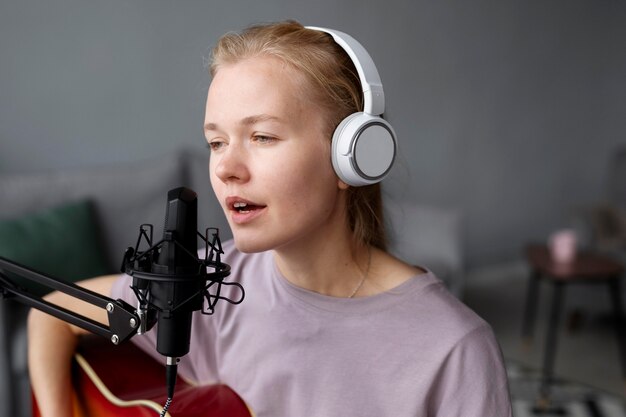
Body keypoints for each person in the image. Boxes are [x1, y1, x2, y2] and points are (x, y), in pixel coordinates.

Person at [28, 20, 512, 416]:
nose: (225, 168)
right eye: (217, 142)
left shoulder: (453, 349)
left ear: (351, 156)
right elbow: (51, 314)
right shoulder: (209, 289)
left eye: (261, 136)